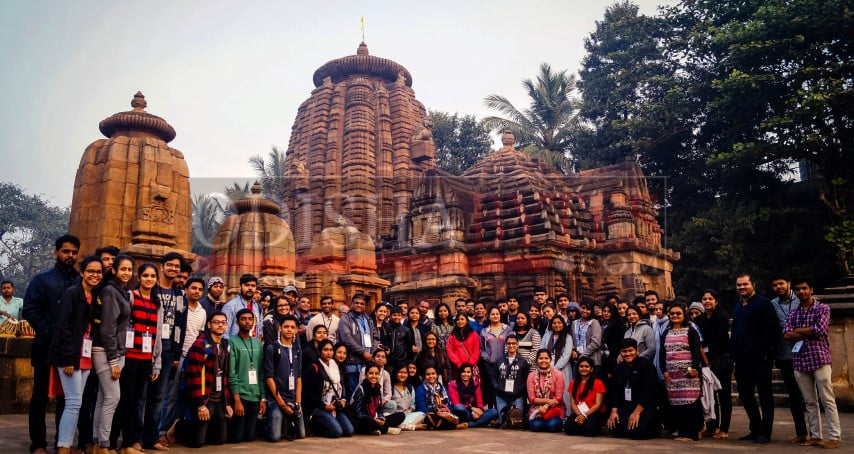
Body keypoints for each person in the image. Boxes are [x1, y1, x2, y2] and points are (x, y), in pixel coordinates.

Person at [23, 234, 80, 454]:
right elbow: (30, 309)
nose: (70, 256)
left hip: (68, 351)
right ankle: (37, 444)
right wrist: (50, 332)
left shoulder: (78, 280)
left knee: (67, 398)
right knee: (40, 397)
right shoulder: (42, 279)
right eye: (66, 251)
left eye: (74, 252)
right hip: (46, 348)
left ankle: (62, 443)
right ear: (56, 253)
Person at [47, 256, 102, 454]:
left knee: (76, 403)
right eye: (91, 271)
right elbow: (63, 327)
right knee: (73, 402)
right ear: (82, 273)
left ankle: (66, 445)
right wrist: (68, 357)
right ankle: (63, 446)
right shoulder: (72, 293)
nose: (95, 275)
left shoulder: (94, 296)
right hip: (70, 356)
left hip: (85, 356)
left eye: (98, 272)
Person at [784, 279, 842, 449]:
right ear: (794, 292)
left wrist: (798, 331)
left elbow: (820, 330)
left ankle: (834, 436)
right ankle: (815, 436)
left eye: (804, 288)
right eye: (798, 289)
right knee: (809, 401)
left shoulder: (822, 308)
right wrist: (808, 331)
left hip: (819, 357)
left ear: (811, 289)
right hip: (800, 359)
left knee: (827, 399)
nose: (801, 292)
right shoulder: (793, 313)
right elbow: (786, 335)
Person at [113, 263, 163, 453]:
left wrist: (156, 363)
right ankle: (116, 442)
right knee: (125, 400)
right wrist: (118, 355)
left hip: (146, 359)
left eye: (152, 276)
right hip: (129, 358)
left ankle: (132, 441)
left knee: (138, 401)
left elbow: (157, 335)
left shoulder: (156, 303)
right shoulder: (131, 297)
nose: (149, 279)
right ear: (139, 278)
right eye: (145, 276)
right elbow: (121, 326)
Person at [90, 254, 133, 453]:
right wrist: (114, 360)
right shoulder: (110, 291)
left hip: (115, 350)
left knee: (103, 397)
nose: (126, 273)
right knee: (112, 398)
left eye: (129, 269)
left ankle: (97, 441)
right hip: (106, 351)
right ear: (114, 270)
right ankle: (104, 445)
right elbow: (107, 328)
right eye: (123, 269)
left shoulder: (121, 291)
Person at [173, 311, 233, 448]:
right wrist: (200, 405)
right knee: (196, 443)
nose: (220, 325)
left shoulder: (224, 345)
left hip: (219, 399)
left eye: (223, 322)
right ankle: (179, 426)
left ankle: (205, 427)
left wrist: (227, 403)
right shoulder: (201, 344)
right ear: (209, 324)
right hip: (204, 399)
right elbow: (193, 376)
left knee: (220, 440)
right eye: (216, 322)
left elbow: (224, 376)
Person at [731, 273, 779, 444]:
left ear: (753, 285)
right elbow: (736, 331)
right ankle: (755, 428)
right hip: (742, 360)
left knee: (765, 396)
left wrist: (765, 352)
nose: (742, 288)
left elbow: (771, 330)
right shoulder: (738, 307)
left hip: (760, 359)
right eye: (739, 285)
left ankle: (765, 432)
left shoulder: (764, 303)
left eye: (745, 284)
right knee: (746, 395)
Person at [144, 252, 185, 451]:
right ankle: (132, 437)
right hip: (147, 346)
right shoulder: (152, 288)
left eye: (177, 266)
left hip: (168, 350)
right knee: (140, 395)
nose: (173, 269)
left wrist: (177, 354)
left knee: (158, 396)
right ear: (162, 266)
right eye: (170, 265)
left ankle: (151, 437)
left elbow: (180, 324)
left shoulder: (179, 294)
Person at [770, 275, 808, 443]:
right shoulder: (772, 304)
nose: (778, 287)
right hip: (784, 355)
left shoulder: (800, 299)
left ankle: (818, 433)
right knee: (793, 394)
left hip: (806, 352)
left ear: (788, 284)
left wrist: (795, 333)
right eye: (775, 285)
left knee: (811, 395)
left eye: (781, 283)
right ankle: (801, 432)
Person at [660, 303, 704, 442]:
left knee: (689, 404)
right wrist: (664, 371)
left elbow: (696, 352)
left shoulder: (690, 330)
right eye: (672, 313)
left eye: (678, 313)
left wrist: (692, 369)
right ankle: (682, 432)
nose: (675, 316)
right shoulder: (666, 332)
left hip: (688, 373)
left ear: (684, 314)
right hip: (672, 374)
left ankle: (691, 434)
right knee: (677, 404)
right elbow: (662, 353)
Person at [695, 289, 733, 439]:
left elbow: (716, 338)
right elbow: (697, 338)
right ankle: (711, 427)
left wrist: (704, 338)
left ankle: (724, 428)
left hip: (721, 359)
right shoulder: (699, 319)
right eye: (704, 299)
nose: (707, 301)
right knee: (709, 396)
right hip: (705, 361)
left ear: (716, 301)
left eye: (710, 298)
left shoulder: (722, 317)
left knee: (724, 395)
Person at [607, 338, 660, 439]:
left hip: (644, 406)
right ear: (620, 353)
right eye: (624, 351)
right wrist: (613, 412)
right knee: (614, 428)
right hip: (627, 405)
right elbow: (615, 392)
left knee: (636, 432)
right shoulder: (619, 368)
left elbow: (650, 392)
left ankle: (655, 426)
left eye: (630, 350)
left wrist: (636, 413)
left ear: (637, 351)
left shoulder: (646, 365)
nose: (627, 354)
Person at [227, 308, 266, 443]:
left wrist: (263, 398)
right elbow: (231, 372)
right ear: (237, 322)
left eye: (250, 319)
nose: (247, 322)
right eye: (243, 319)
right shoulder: (231, 341)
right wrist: (236, 400)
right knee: (236, 438)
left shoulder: (257, 343)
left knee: (249, 437)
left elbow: (261, 372)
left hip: (255, 396)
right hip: (240, 396)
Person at [264, 314, 305, 441]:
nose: (289, 329)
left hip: (292, 398)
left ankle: (285, 423)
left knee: (301, 435)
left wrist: (298, 403)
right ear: (280, 328)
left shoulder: (297, 349)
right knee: (275, 437)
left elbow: (298, 377)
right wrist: (282, 404)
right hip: (276, 399)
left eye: (292, 327)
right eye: (286, 326)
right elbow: (269, 378)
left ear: (296, 330)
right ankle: (266, 424)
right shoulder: (272, 348)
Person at [303, 339, 355, 438]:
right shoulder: (314, 368)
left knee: (349, 431)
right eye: (325, 350)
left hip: (335, 407)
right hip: (319, 407)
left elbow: (341, 387)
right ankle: (316, 426)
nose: (329, 353)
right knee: (337, 432)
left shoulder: (335, 366)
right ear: (319, 352)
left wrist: (343, 399)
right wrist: (324, 407)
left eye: (331, 350)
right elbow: (308, 394)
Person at [338, 293, 379, 394]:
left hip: (368, 361)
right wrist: (363, 352)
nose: (359, 305)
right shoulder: (345, 319)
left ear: (365, 306)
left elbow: (375, 337)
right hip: (353, 361)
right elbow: (346, 339)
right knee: (354, 392)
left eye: (362, 303)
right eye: (356, 303)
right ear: (351, 304)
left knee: (366, 391)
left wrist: (372, 353)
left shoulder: (369, 319)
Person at [350, 363, 406, 435]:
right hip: (363, 421)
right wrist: (373, 420)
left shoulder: (378, 389)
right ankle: (385, 429)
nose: (374, 376)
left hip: (374, 418)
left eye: (376, 374)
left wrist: (381, 418)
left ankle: (376, 428)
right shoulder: (361, 389)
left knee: (401, 415)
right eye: (371, 373)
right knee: (367, 420)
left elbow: (379, 409)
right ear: (366, 375)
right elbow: (358, 413)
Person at [564, 356, 607, 437]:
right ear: (578, 368)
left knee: (588, 430)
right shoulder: (573, 383)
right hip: (579, 412)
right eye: (581, 366)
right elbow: (572, 403)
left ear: (591, 369)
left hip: (593, 413)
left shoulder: (598, 383)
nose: (584, 368)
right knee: (568, 428)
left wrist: (585, 415)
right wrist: (579, 415)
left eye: (587, 366)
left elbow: (598, 405)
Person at [448, 363, 499, 427]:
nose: (466, 374)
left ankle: (468, 424)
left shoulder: (476, 385)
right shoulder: (453, 385)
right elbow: (455, 403)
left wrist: (479, 411)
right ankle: (479, 422)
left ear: (471, 373)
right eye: (463, 372)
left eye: (468, 372)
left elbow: (479, 402)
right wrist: (472, 410)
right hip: (463, 411)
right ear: (460, 373)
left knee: (494, 411)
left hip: (475, 411)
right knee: (459, 408)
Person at [526, 349, 565, 432]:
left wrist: (546, 406)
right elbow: (532, 399)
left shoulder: (558, 374)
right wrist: (548, 402)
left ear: (550, 360)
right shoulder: (531, 375)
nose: (543, 361)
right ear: (536, 360)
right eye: (541, 358)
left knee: (552, 426)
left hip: (554, 409)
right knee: (537, 426)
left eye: (546, 358)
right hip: (537, 411)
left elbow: (558, 398)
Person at [491, 335, 530, 417]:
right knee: (503, 420)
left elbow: (526, 379)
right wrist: (497, 387)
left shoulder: (523, 361)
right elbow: (493, 377)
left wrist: (519, 391)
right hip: (501, 395)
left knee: (516, 420)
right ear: (506, 344)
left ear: (517, 344)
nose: (511, 346)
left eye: (513, 343)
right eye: (509, 343)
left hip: (517, 396)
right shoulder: (499, 360)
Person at [541, 315, 574, 406]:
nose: (557, 325)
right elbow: (542, 350)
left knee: (563, 393)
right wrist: (546, 366)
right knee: (548, 392)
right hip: (546, 368)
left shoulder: (567, 337)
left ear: (563, 324)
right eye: (554, 323)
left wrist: (554, 369)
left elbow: (566, 356)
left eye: (559, 323)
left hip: (562, 369)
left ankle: (565, 415)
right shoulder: (547, 335)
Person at [222, 274, 262, 340]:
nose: (250, 288)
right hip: (236, 347)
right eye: (247, 285)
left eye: (253, 286)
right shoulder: (230, 306)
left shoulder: (257, 307)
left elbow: (259, 331)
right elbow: (224, 332)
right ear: (240, 287)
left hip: (253, 347)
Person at [391, 365, 426, 430]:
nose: (403, 375)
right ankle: (412, 426)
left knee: (422, 414)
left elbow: (412, 405)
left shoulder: (410, 388)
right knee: (392, 421)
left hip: (406, 415)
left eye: (405, 373)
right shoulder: (391, 387)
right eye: (400, 372)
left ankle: (401, 426)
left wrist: (407, 413)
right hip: (394, 416)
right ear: (395, 373)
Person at [571, 301, 602, 373]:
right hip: (577, 361)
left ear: (591, 311)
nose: (585, 311)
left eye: (588, 309)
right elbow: (571, 339)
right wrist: (572, 350)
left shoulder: (594, 323)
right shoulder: (574, 323)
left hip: (592, 360)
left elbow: (596, 343)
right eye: (583, 308)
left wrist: (583, 355)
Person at [446, 313, 480, 378]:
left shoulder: (473, 334)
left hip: (470, 367)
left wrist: (470, 364)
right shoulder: (452, 335)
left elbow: (476, 350)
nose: (460, 321)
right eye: (458, 320)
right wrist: (458, 363)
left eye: (462, 319)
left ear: (466, 321)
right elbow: (449, 350)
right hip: (457, 367)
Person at [599, 302, 624, 385]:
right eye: (604, 311)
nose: (606, 313)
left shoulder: (616, 324)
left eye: (609, 311)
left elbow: (615, 346)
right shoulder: (603, 324)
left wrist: (610, 367)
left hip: (612, 359)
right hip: (603, 358)